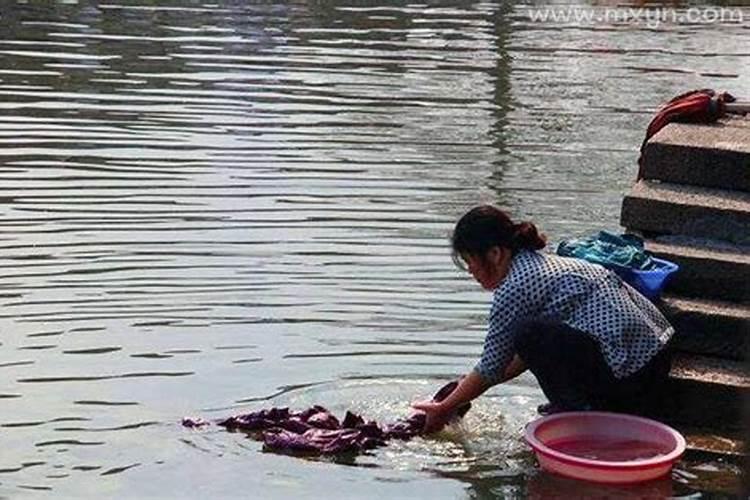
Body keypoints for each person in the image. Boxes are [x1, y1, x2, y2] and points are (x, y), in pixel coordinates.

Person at [412, 205, 674, 432]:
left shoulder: (515, 285)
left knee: (527, 332)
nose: (471, 271)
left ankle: (578, 412)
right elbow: (517, 358)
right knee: (531, 336)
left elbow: (492, 366)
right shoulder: (540, 264)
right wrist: (461, 389)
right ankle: (575, 403)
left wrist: (445, 407)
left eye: (471, 261)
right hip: (656, 358)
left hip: (634, 377)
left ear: (495, 254)